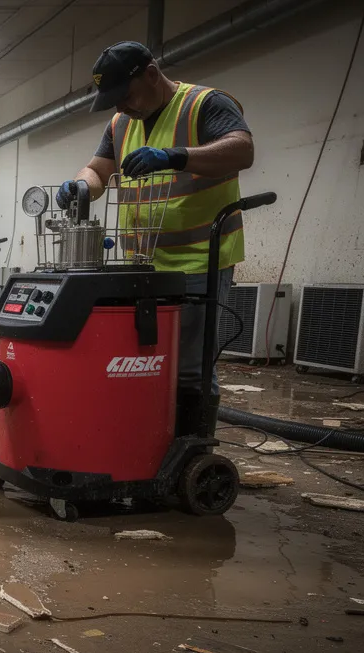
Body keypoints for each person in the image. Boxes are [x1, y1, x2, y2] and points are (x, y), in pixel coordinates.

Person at [58, 41, 254, 433]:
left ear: (151, 73)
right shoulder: (120, 124)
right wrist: (80, 186)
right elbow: (98, 170)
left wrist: (177, 156)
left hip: (199, 261)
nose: (121, 107)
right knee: (142, 359)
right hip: (142, 263)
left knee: (189, 365)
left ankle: (189, 450)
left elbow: (241, 151)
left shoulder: (205, 104)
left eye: (125, 96)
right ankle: (147, 443)